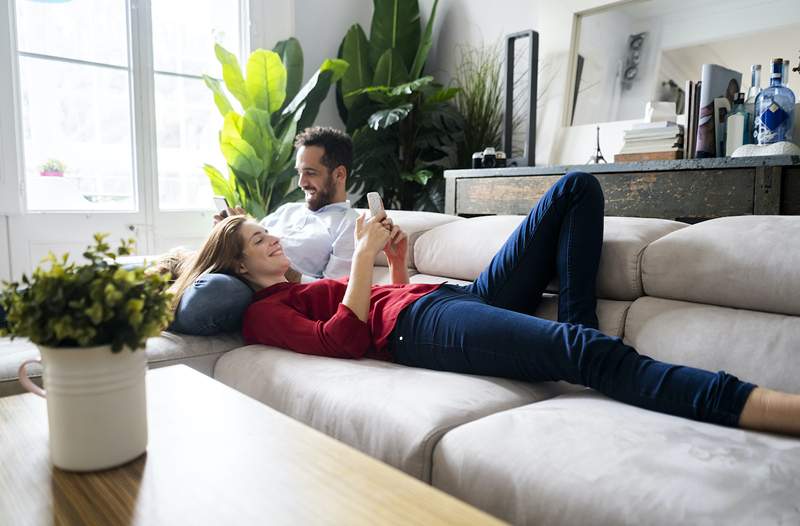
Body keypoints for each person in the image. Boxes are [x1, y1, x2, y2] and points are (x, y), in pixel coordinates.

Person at [179, 171, 800, 436]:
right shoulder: (262, 313)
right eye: (261, 239)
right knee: (586, 352)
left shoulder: (292, 284)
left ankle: (579, 345)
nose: (274, 237)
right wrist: (364, 262)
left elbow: (383, 299)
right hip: (422, 329)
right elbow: (344, 339)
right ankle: (767, 407)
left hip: (443, 299)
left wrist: (394, 261)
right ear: (237, 264)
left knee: (576, 190)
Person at [170, 126, 359, 335]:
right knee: (152, 265)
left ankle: (159, 310)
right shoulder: (288, 210)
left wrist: (287, 273)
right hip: (229, 268)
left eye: (310, 173)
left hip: (259, 291)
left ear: (339, 174)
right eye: (299, 173)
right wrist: (229, 233)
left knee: (218, 291)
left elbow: (336, 291)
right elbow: (249, 242)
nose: (302, 183)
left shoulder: (350, 225)